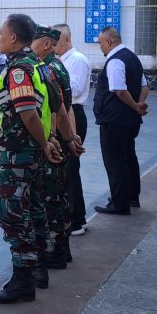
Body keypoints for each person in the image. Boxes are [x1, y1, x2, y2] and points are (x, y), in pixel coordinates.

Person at [0, 14, 62, 304]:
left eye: (1, 33)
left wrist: (45, 143)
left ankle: (23, 279)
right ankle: (37, 269)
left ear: (13, 38)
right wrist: (52, 139)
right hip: (32, 150)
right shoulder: (38, 66)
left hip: (20, 152)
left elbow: (28, 112)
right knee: (33, 209)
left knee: (12, 213)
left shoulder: (19, 69)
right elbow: (55, 106)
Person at [31, 25, 84, 283]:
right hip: (60, 138)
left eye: (34, 42)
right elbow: (67, 106)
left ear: (46, 44)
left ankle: (54, 251)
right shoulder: (58, 66)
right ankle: (62, 249)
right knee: (59, 194)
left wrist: (57, 138)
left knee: (49, 197)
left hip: (51, 140)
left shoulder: (46, 69)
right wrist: (71, 137)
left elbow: (56, 109)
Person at [94, 27, 148, 215]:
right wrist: (140, 104)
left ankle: (119, 203)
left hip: (115, 119)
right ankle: (131, 196)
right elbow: (144, 85)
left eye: (101, 43)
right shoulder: (132, 57)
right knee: (128, 158)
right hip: (129, 120)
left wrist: (135, 107)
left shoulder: (115, 60)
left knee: (115, 162)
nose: (100, 47)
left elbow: (119, 90)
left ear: (108, 42)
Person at [55, 24, 91, 235]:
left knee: (69, 170)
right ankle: (78, 217)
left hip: (73, 114)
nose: (53, 46)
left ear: (66, 40)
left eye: (56, 42)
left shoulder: (76, 60)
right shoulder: (63, 60)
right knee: (68, 169)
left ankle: (75, 221)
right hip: (67, 113)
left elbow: (74, 90)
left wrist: (52, 83)